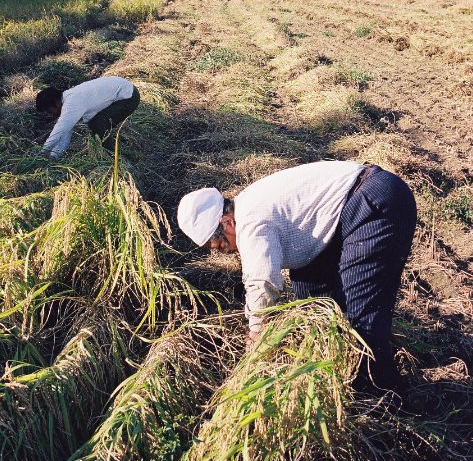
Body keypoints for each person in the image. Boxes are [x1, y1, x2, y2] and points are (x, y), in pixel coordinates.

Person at [177, 160, 417, 392]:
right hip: (350, 207)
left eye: (220, 245)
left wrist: (256, 335)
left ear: (226, 222)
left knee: (361, 316)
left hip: (373, 203)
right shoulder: (248, 203)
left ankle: (382, 393)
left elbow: (262, 282)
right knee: (314, 302)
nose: (226, 252)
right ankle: (334, 367)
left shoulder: (250, 221)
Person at [36, 76, 140, 158]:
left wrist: (40, 154)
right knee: (96, 124)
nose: (51, 114)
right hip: (124, 91)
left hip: (128, 96)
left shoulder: (71, 103)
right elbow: (66, 133)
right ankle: (109, 150)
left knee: (98, 124)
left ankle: (114, 157)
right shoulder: (70, 99)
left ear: (56, 103)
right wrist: (54, 156)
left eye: (49, 111)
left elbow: (60, 130)